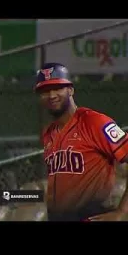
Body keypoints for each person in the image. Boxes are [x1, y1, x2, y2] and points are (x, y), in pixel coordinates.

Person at [35, 62, 128, 221]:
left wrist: (122, 211)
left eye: (57, 88)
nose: (51, 95)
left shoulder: (95, 122)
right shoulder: (48, 133)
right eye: (45, 91)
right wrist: (13, 195)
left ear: (70, 90)